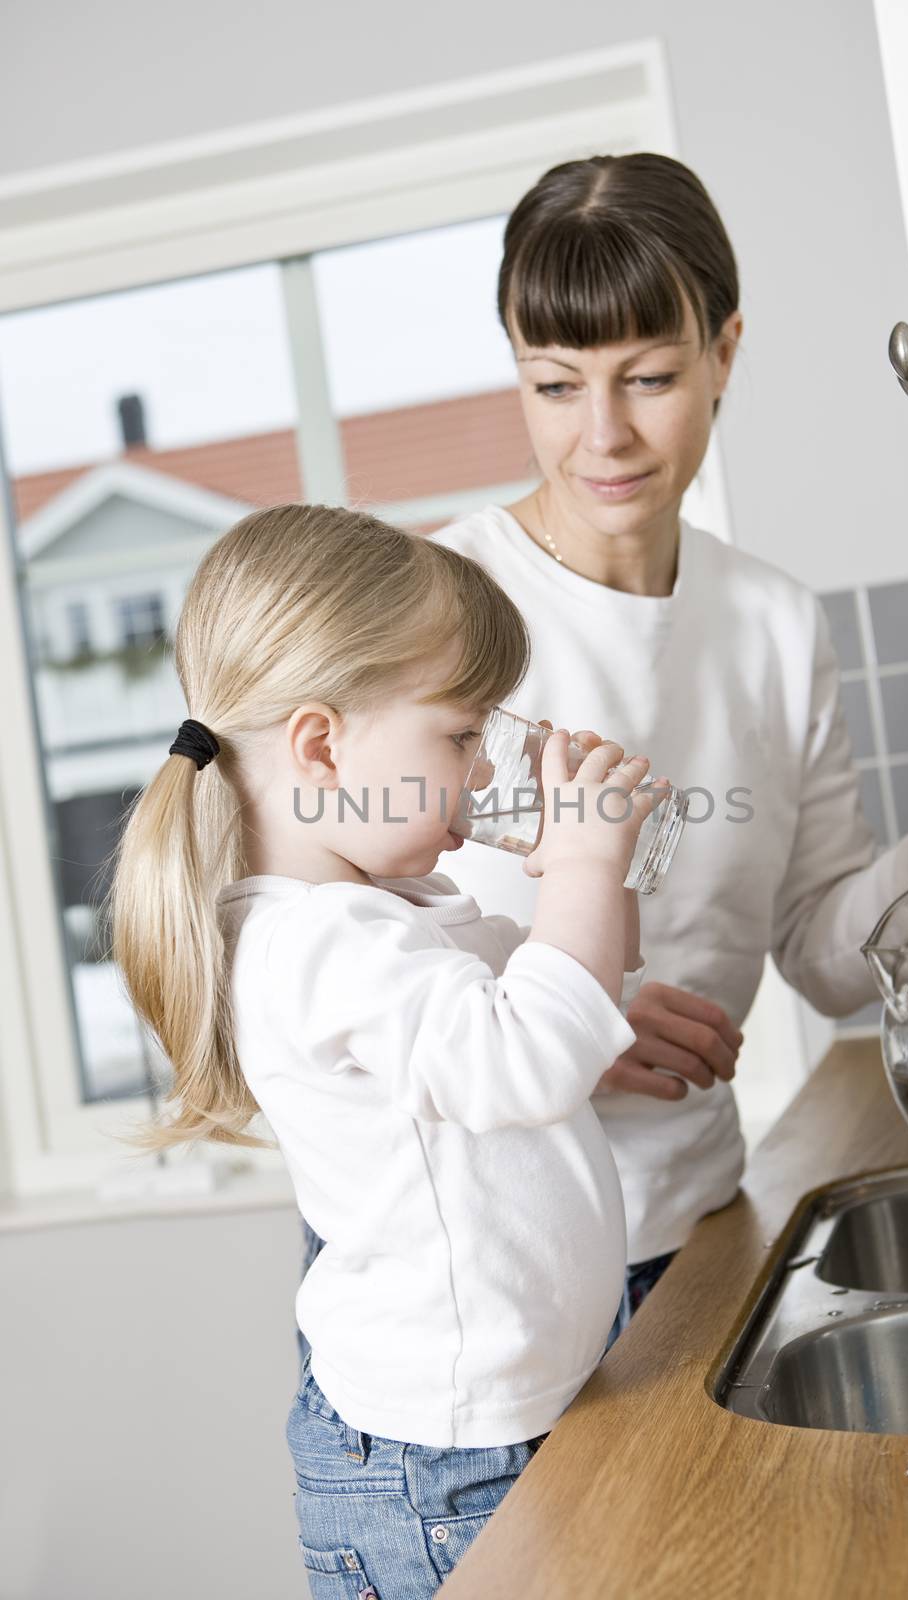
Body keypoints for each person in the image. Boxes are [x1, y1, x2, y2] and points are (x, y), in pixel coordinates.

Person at [420, 150, 908, 1327]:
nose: (601, 434)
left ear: (724, 353)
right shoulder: (435, 604)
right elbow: (314, 928)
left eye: (647, 377)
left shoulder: (770, 622)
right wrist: (547, 1015)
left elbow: (817, 946)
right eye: (554, 385)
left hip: (689, 1229)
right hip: (481, 1264)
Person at [107, 503, 668, 1599]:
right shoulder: (322, 941)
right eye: (461, 735)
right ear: (322, 744)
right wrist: (583, 871)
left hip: (499, 1423)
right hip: (440, 1472)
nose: (480, 765)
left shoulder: (392, 906)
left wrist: (598, 880)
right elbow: (522, 1058)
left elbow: (555, 1003)